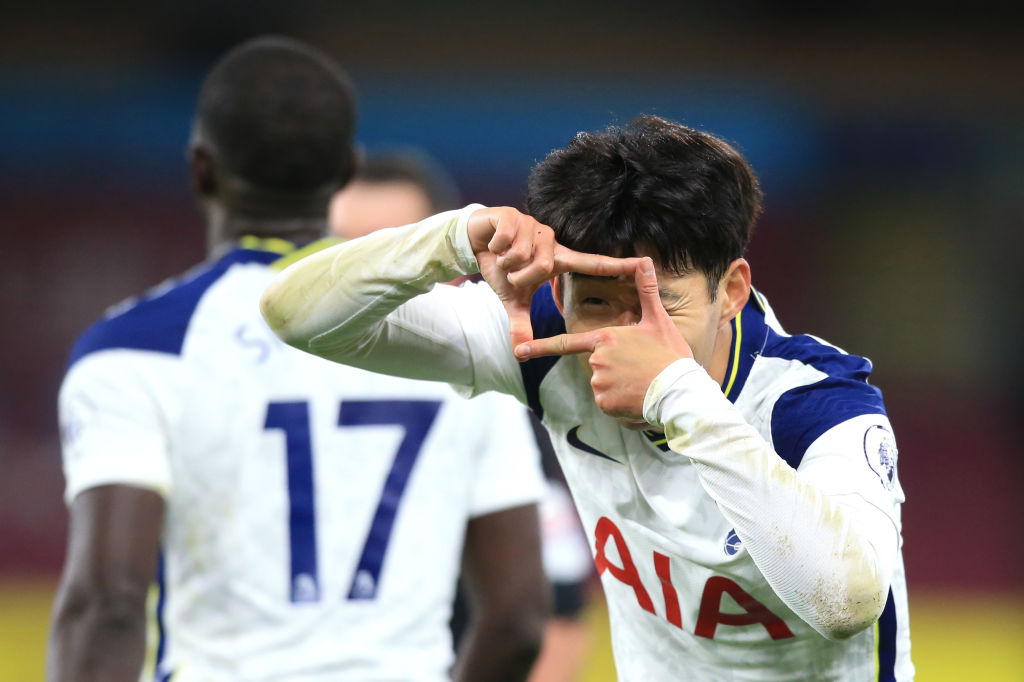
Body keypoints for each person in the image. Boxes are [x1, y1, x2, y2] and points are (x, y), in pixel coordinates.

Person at [261, 115, 915, 680]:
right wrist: (452, 240)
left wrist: (673, 392)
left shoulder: (815, 404)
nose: (626, 335)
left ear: (733, 290)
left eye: (666, 302)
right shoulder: (544, 340)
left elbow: (847, 601)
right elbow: (293, 313)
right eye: (599, 299)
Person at [48, 36, 550, 682]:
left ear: (201, 168)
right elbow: (517, 618)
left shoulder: (134, 346)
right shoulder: (465, 342)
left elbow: (107, 603)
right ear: (345, 172)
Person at [329, 150, 597, 681]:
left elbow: (554, 621)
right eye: (343, 256)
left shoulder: (510, 404)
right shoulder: (266, 400)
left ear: (450, 271)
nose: (366, 285)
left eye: (390, 254)